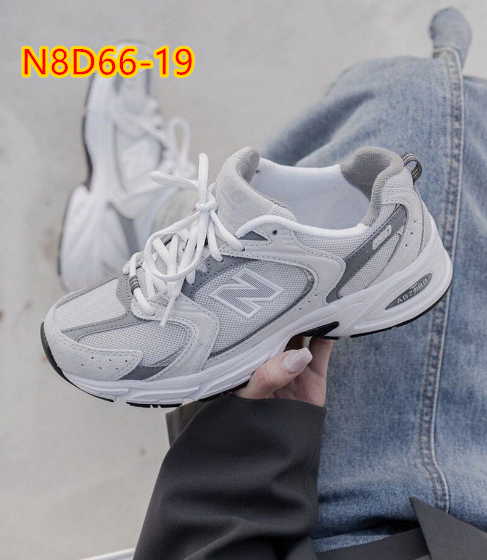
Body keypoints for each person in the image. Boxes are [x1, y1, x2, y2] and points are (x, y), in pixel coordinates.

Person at [133, 7, 487, 559]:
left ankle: (153, 213)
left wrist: (246, 453)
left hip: (327, 527)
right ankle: (177, 216)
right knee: (447, 128)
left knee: (417, 108)